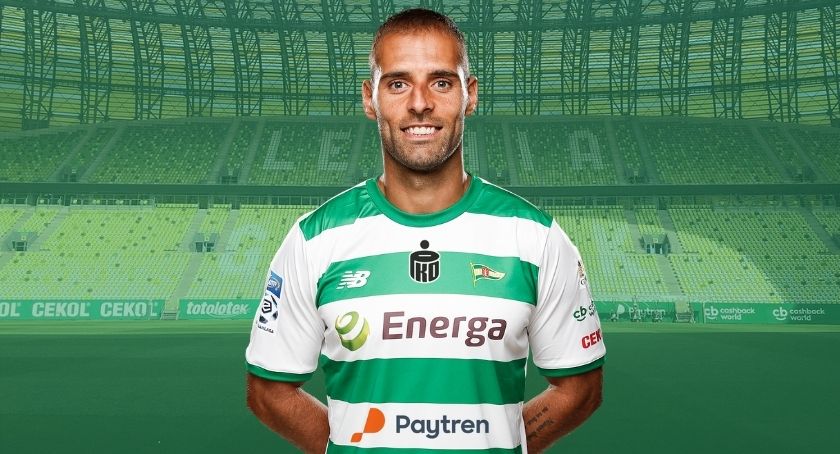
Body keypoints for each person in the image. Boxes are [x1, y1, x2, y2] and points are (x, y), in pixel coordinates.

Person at [245, 8, 605, 453]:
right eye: (398, 84)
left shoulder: (536, 237)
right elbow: (268, 391)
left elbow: (580, 388)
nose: (420, 103)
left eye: (441, 82)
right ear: (370, 99)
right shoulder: (314, 239)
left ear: (470, 95)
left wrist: (506, 442)